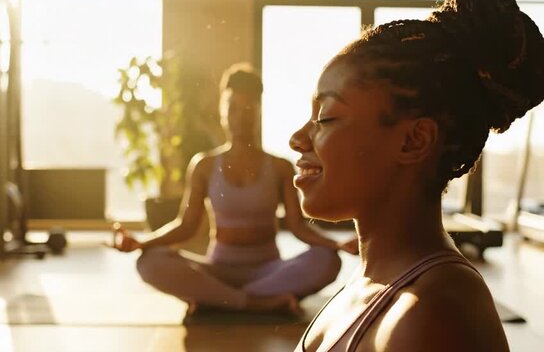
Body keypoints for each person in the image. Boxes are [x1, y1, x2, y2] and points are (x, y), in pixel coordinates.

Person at [289, 0, 544, 351]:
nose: (297, 139)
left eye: (326, 117)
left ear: (414, 141)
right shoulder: (375, 282)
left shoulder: (432, 316)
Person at [111, 63, 358, 315]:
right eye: (233, 108)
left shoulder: (280, 167)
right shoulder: (204, 166)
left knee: (327, 260)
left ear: (259, 112)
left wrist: (337, 245)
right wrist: (142, 243)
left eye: (249, 108)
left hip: (269, 271)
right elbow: (185, 226)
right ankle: (256, 303)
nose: (242, 116)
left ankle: (218, 300)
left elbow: (298, 226)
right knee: (150, 262)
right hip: (218, 270)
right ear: (222, 112)